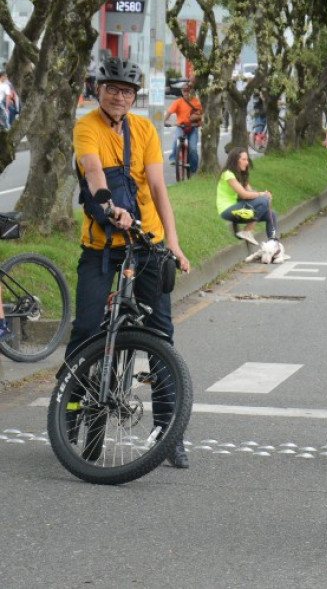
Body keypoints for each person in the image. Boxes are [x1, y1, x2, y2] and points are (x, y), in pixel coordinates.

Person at [69, 57, 192, 468]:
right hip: (104, 246)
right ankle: (69, 411)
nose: (119, 97)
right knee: (87, 328)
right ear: (98, 90)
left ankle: (168, 430)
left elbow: (158, 187)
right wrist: (109, 206)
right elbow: (93, 173)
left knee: (160, 333)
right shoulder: (87, 126)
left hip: (148, 244)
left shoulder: (144, 129)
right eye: (112, 89)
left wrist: (172, 242)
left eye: (127, 91)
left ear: (134, 97)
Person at [217, 147, 278, 244]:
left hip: (240, 210)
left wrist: (265, 195)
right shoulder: (228, 174)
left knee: (272, 214)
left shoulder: (240, 174)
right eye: (244, 160)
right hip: (228, 210)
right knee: (264, 200)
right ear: (235, 161)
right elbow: (244, 195)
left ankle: (273, 244)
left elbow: (251, 192)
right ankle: (247, 231)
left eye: (247, 159)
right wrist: (262, 195)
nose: (247, 162)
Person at [163, 81, 203, 175]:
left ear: (192, 92)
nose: (185, 93)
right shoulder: (178, 102)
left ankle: (193, 169)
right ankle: (173, 158)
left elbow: (202, 114)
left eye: (187, 91)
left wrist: (196, 117)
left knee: (193, 148)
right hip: (181, 126)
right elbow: (169, 112)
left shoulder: (197, 102)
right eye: (184, 91)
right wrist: (164, 122)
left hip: (193, 127)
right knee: (176, 140)